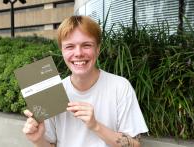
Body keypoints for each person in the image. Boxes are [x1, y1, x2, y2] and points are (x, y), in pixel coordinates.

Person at [23, 15, 148, 147]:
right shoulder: (52, 92)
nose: (78, 53)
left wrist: (95, 126)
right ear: (62, 51)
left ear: (98, 49)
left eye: (86, 45)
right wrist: (38, 140)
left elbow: (135, 145)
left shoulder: (120, 87)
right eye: (70, 46)